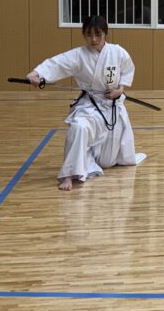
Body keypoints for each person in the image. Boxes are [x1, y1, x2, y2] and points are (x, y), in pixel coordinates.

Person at [26, 16, 146, 191]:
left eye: (98, 35)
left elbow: (127, 71)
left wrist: (119, 90)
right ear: (84, 35)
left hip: (112, 108)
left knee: (107, 162)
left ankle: (86, 161)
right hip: (89, 105)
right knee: (78, 127)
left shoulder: (118, 52)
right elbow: (57, 64)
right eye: (89, 35)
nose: (94, 39)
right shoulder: (79, 55)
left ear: (105, 34)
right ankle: (68, 174)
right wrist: (36, 73)